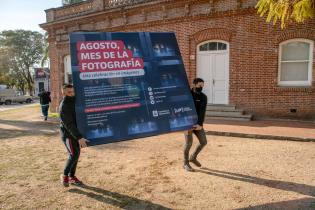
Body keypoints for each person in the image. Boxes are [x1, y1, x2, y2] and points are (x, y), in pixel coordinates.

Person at [59, 84, 89, 187]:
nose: (72, 94)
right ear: (63, 93)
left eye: (73, 92)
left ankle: (72, 176)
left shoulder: (76, 101)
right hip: (68, 135)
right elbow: (69, 124)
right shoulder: (64, 106)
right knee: (73, 155)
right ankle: (64, 176)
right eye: (69, 92)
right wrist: (79, 137)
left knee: (76, 155)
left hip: (76, 134)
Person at [183, 78, 208, 172]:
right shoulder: (187, 94)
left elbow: (202, 111)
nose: (201, 87)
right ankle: (185, 163)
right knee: (188, 143)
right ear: (194, 85)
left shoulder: (203, 97)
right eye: (199, 85)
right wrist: (184, 124)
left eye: (202, 86)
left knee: (203, 142)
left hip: (197, 123)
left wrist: (200, 124)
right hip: (187, 123)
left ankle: (193, 157)